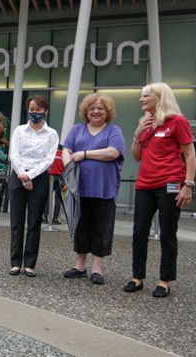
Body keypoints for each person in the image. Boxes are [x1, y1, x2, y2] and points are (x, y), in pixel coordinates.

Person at [125, 83, 196, 298]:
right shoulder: (145, 123)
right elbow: (136, 156)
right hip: (144, 185)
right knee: (139, 233)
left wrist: (188, 185)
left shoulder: (178, 122)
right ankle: (137, 278)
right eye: (141, 95)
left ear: (160, 98)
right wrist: (138, 135)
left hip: (171, 183)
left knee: (167, 233)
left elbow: (190, 155)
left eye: (146, 95)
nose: (141, 99)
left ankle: (164, 280)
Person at [62, 94, 126, 285]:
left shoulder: (114, 131)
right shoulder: (76, 129)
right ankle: (80, 266)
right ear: (86, 111)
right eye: (92, 108)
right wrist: (69, 169)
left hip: (104, 190)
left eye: (100, 108)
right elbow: (66, 150)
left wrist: (84, 154)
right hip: (79, 189)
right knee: (81, 227)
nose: (96, 111)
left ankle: (97, 268)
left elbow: (113, 152)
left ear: (108, 112)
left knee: (101, 228)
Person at [8, 95, 59, 277]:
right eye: (32, 109)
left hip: (39, 178)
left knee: (34, 222)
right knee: (17, 222)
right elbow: (14, 155)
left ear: (45, 111)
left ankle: (30, 264)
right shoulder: (19, 131)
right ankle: (15, 262)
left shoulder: (51, 134)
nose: (34, 113)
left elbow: (48, 160)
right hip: (18, 176)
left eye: (38, 110)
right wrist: (23, 175)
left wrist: (30, 176)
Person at [43, 146, 64, 225]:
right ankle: (55, 218)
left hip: (50, 177)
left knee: (47, 198)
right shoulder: (63, 155)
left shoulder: (51, 154)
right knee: (58, 199)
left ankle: (44, 217)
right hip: (60, 178)